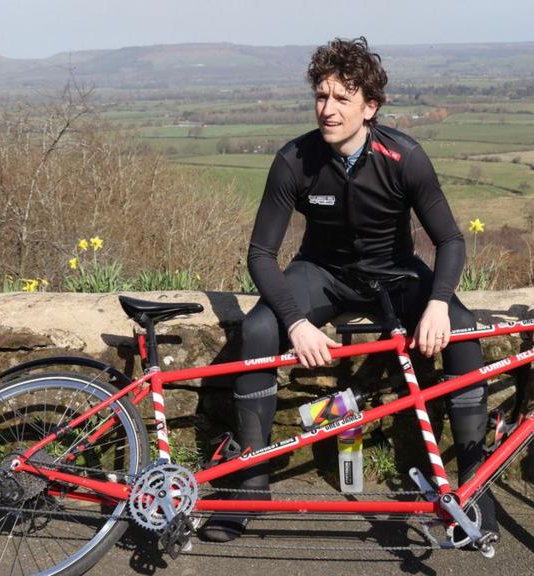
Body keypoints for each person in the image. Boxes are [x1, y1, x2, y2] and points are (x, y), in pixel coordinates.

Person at [203, 36, 496, 543]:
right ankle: (250, 486)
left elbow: (449, 240)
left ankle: (474, 490)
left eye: (343, 98)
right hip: (322, 273)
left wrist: (438, 304)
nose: (328, 109)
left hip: (397, 274)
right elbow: (260, 255)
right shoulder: (295, 159)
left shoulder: (404, 157)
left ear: (370, 107)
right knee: (256, 328)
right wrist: (296, 321)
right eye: (321, 96)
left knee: (464, 330)